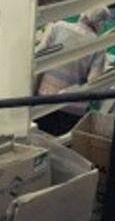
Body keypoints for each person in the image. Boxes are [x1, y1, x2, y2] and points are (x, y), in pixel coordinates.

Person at [34, 7, 110, 135]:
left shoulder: (58, 27)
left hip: (45, 99)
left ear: (82, 15)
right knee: (59, 145)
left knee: (39, 140)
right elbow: (94, 81)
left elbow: (37, 55)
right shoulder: (98, 45)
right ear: (100, 24)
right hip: (72, 108)